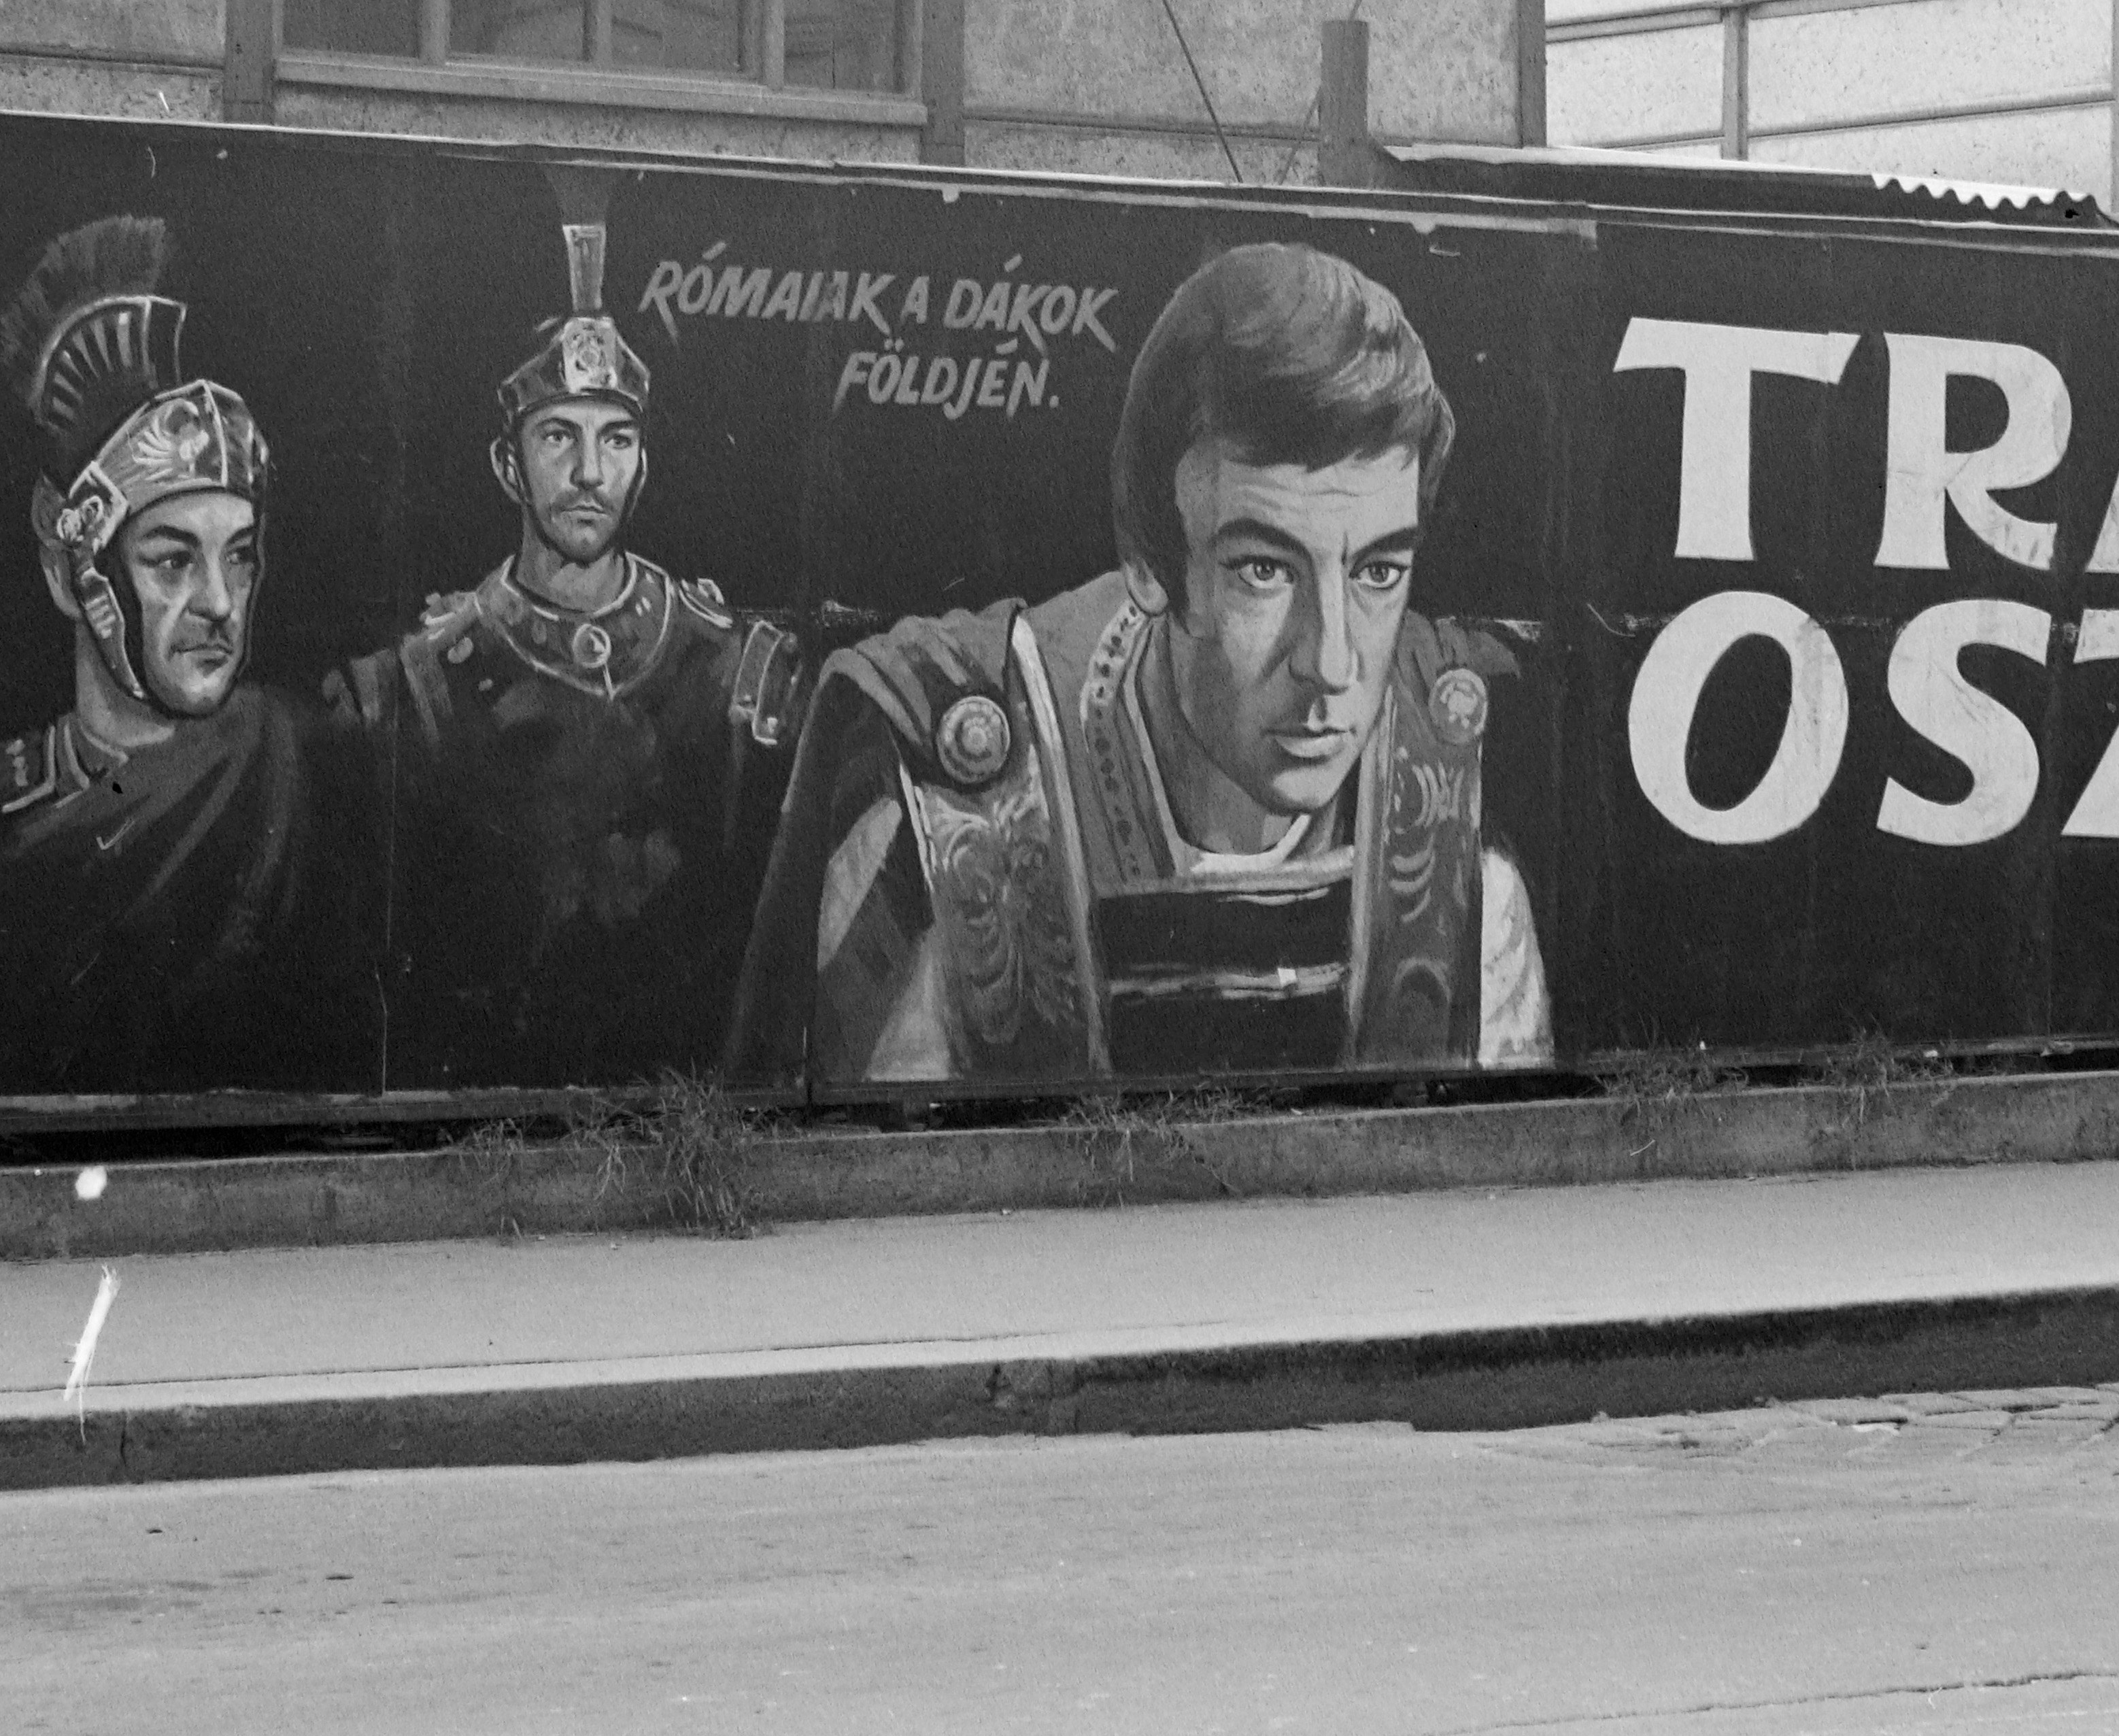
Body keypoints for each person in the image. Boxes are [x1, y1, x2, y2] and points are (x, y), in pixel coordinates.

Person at [730, 239, 1548, 1088]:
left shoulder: (1459, 825)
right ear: (1149, 563)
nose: (1332, 663)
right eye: (1263, 570)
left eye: (1378, 572)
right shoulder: (946, 805)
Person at [323, 214, 800, 1085]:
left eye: (615, 439)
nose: (589, 472)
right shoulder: (423, 684)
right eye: (559, 436)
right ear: (509, 466)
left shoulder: (725, 663)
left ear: (643, 464)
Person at [0, 217, 356, 1091]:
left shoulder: (291, 757)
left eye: (240, 555)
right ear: (70, 573)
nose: (220, 603)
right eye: (172, 560)